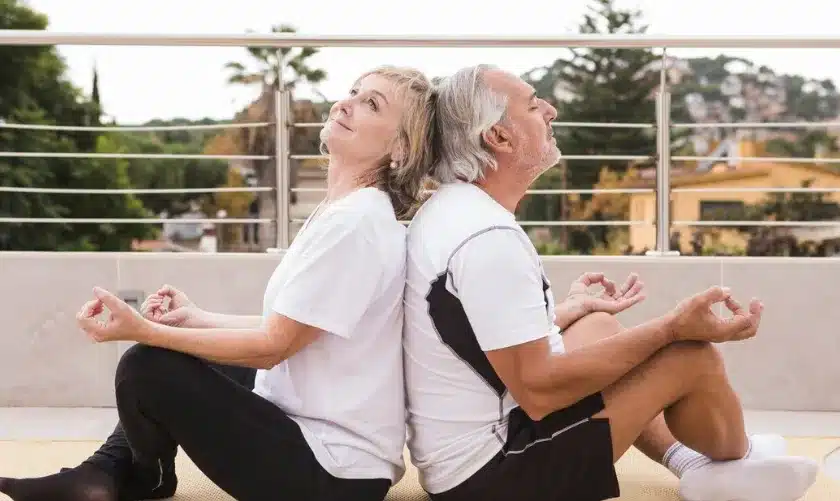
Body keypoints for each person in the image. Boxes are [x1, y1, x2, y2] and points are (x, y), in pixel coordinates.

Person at [0, 65, 439, 501]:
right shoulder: (345, 211)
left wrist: (148, 330)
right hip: (320, 439)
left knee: (147, 365)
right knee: (173, 352)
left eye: (371, 104)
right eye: (354, 91)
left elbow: (272, 348)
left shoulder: (357, 224)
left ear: (399, 149)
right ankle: (102, 475)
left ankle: (138, 478)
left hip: (331, 474)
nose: (347, 103)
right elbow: (292, 327)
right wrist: (195, 319)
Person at [401, 63, 819, 501]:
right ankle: (738, 461)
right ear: (499, 138)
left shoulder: (452, 210)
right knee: (688, 356)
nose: (551, 110)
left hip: (463, 453)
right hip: (492, 476)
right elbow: (540, 389)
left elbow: (466, 333)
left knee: (596, 327)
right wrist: (672, 329)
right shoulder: (488, 238)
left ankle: (692, 462)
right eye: (532, 104)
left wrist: (562, 311)